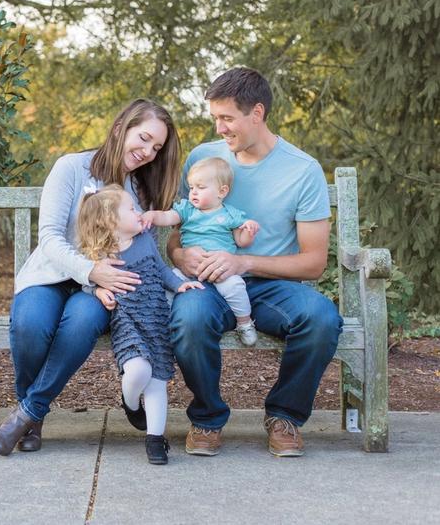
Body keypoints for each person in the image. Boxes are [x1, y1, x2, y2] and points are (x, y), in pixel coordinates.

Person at [0, 98, 181, 456]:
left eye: (156, 147)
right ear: (119, 128)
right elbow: (49, 237)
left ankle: (27, 415)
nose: (147, 152)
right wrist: (90, 271)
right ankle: (33, 414)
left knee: (80, 323)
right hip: (53, 274)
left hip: (99, 292)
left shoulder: (140, 190)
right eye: (143, 138)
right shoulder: (72, 168)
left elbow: (146, 254)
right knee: (30, 324)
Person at [168, 67, 343, 458]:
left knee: (321, 319)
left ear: (257, 113)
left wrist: (243, 262)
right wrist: (181, 255)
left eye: (226, 118)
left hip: (269, 284)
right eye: (215, 118)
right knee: (189, 319)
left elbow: (313, 264)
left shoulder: (302, 170)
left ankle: (285, 416)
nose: (219, 128)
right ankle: (207, 417)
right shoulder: (203, 159)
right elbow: (178, 235)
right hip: (209, 283)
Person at [76, 185, 203, 464]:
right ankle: (131, 404)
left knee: (157, 380)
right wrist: (97, 291)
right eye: (131, 209)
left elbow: (160, 270)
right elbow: (84, 282)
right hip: (128, 322)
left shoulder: (145, 239)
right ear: (111, 221)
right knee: (137, 371)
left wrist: (181, 286)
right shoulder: (100, 254)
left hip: (157, 318)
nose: (138, 213)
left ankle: (155, 440)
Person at [142, 156, 259, 346]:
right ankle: (161, 323)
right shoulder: (187, 210)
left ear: (222, 191)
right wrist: (152, 216)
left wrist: (249, 231)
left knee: (236, 287)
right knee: (171, 281)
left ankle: (244, 322)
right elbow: (167, 217)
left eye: (201, 188)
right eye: (191, 188)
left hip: (220, 270)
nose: (194, 193)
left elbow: (241, 241)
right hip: (189, 269)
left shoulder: (229, 214)